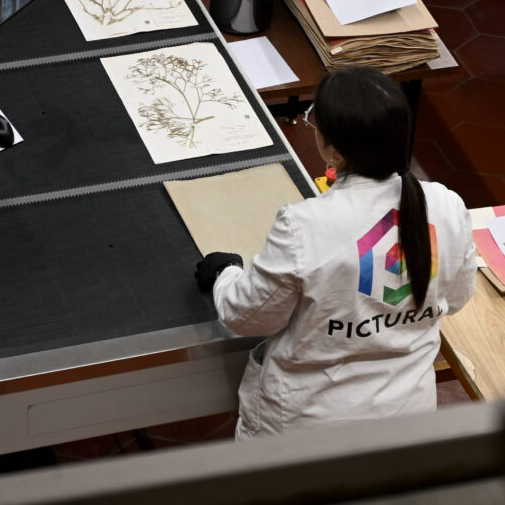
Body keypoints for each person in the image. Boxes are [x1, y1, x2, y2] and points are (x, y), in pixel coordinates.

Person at [194, 67, 477, 439]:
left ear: (334, 150)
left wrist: (225, 274)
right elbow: (456, 299)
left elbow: (246, 316)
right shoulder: (445, 205)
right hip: (407, 418)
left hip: (308, 428)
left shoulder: (304, 225)